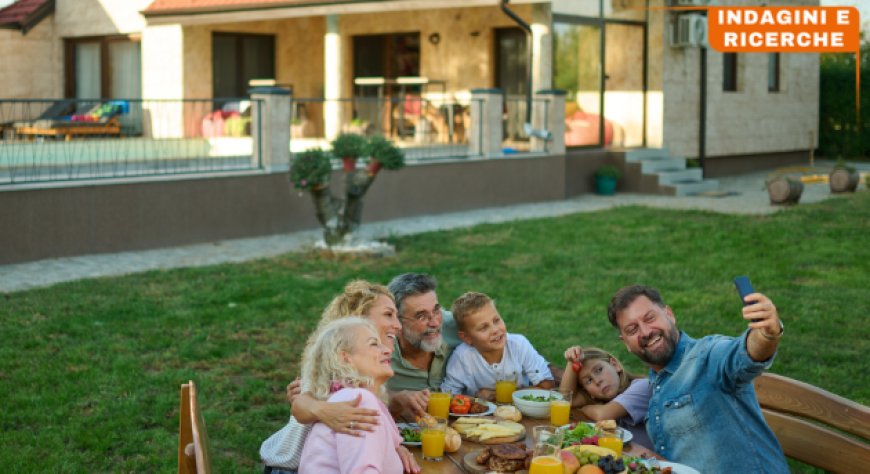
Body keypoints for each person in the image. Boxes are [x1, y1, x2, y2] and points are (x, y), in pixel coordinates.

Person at [607, 284, 788, 473]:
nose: (645, 332)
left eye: (650, 318)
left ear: (669, 314)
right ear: (626, 343)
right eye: (632, 329)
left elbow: (742, 356)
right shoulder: (656, 383)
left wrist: (767, 333)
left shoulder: (706, 355)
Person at [260, 281, 419, 474]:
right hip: (286, 467)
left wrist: (393, 447)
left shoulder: (364, 369)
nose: (398, 325)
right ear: (359, 316)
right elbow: (301, 405)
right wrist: (323, 410)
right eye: (388, 315)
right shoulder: (335, 369)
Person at [298, 317, 403, 473]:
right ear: (345, 358)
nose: (388, 350)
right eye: (374, 344)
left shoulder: (347, 397)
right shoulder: (356, 401)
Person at [441, 292, 554, 399]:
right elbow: (447, 396)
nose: (495, 330)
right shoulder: (462, 357)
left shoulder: (519, 345)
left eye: (496, 320)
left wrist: (497, 395)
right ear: (467, 338)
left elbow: (547, 385)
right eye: (484, 327)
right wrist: (475, 399)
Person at [560, 346, 652, 448]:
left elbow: (602, 414)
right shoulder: (601, 399)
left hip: (655, 460)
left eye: (599, 370)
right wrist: (571, 362)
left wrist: (584, 408)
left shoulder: (643, 386)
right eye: (589, 381)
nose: (597, 381)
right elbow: (566, 400)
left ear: (615, 365)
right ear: (588, 392)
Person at [385, 273, 461, 396]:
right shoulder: (378, 350)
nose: (435, 323)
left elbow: (501, 340)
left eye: (436, 310)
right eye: (421, 316)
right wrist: (392, 399)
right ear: (397, 321)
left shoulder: (457, 326)